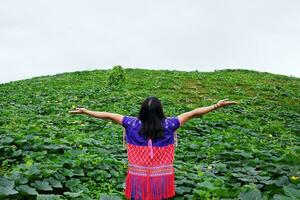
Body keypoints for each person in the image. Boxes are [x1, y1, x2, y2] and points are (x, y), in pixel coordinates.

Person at [69, 96, 238, 200]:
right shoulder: (170, 124)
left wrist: (86, 111)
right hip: (162, 178)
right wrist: (216, 105)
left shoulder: (131, 123)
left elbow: (107, 115)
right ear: (160, 111)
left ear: (142, 111)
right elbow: (194, 113)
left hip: (138, 177)